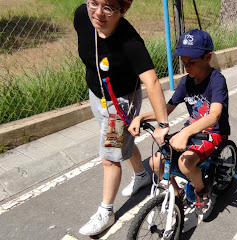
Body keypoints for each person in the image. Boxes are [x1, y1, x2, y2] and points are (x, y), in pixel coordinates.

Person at [73, 0, 169, 236]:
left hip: (120, 103)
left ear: (123, 10)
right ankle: (141, 175)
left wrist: (163, 124)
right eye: (93, 3)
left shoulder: (131, 42)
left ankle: (106, 211)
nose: (97, 13)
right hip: (97, 95)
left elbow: (153, 82)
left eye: (107, 8)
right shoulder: (81, 16)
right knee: (121, 144)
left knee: (110, 157)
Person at [129, 29, 230, 217]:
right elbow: (166, 110)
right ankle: (177, 193)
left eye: (192, 62)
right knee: (155, 163)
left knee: (184, 165)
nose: (187, 67)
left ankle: (202, 190)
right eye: (183, 62)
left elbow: (214, 115)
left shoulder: (217, 81)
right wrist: (141, 117)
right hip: (191, 132)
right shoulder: (185, 82)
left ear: (208, 57)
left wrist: (184, 133)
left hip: (214, 132)